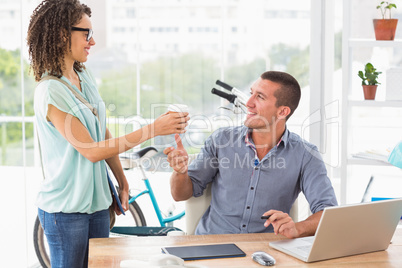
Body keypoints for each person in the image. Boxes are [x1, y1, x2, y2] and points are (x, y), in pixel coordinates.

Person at [27, 0, 189, 267]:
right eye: (86, 33)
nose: (92, 42)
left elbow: (101, 132)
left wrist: (121, 179)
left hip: (98, 206)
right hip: (66, 211)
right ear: (61, 34)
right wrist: (153, 129)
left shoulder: (83, 76)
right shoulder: (50, 90)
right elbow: (90, 150)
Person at [164, 71, 337, 238]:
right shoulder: (221, 140)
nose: (249, 103)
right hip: (213, 243)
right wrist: (180, 172)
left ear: (283, 112)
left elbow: (328, 212)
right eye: (251, 93)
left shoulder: (305, 155)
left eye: (260, 97)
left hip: (266, 250)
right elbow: (180, 194)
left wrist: (298, 228)